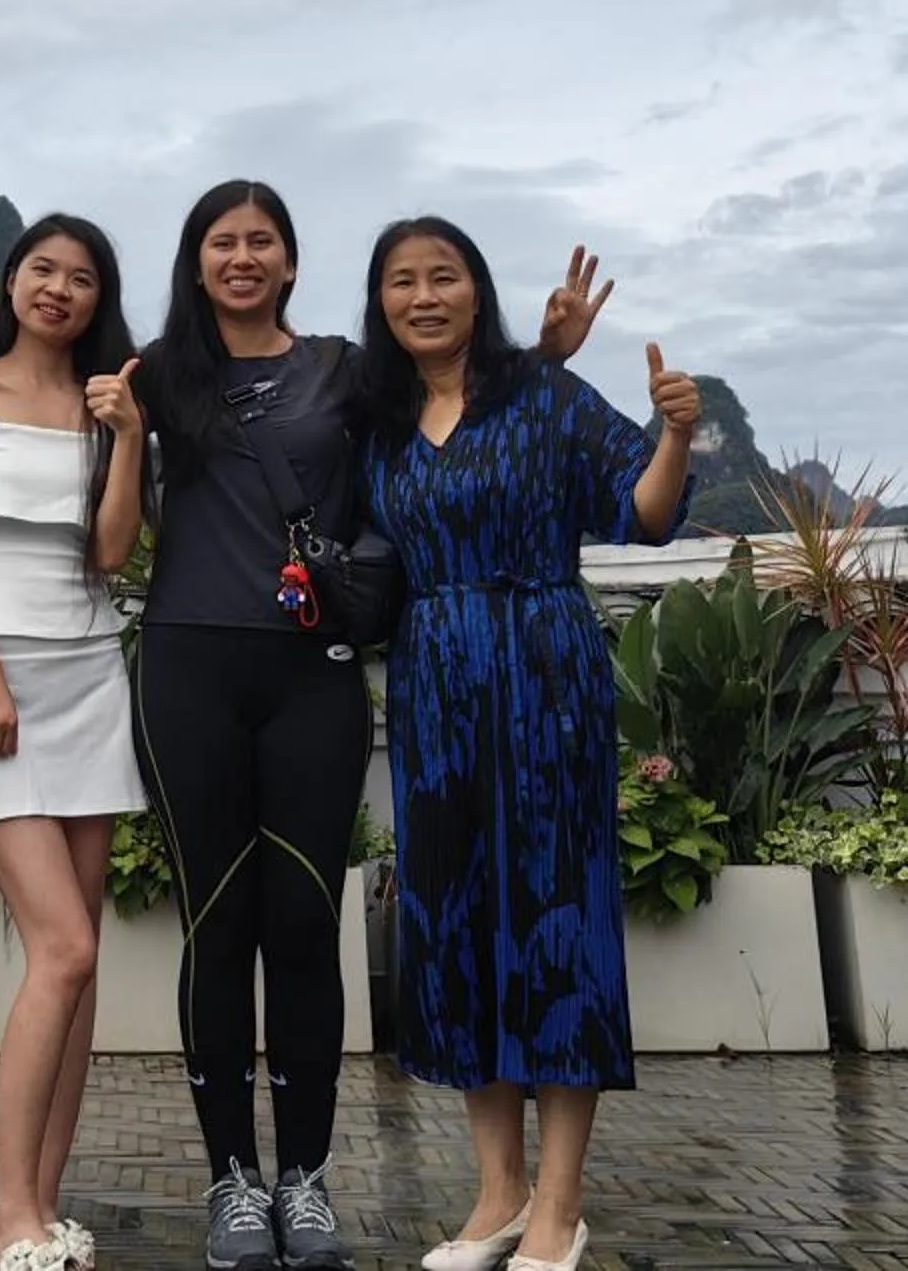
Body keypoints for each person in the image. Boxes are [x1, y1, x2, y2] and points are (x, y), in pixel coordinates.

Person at [127, 182, 609, 1271]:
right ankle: (231, 1185)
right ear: (196, 263)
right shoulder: (156, 374)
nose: (243, 258)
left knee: (303, 921)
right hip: (189, 663)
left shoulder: (344, 371)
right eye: (222, 243)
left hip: (315, 671)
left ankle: (303, 1179)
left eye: (263, 242)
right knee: (217, 925)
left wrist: (546, 362)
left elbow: (458, 424)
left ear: (292, 262)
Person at [351, 217, 698, 1271]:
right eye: (402, 282)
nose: (424, 296)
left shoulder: (545, 397)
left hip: (546, 672)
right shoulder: (381, 424)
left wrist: (677, 432)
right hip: (435, 687)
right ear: (381, 303)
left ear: (476, 289)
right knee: (456, 924)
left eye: (443, 277)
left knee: (558, 923)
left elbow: (642, 510)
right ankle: (498, 1193)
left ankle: (559, 1203)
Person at [0, 215, 151, 1271]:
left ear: (100, 300)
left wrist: (131, 437)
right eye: (43, 270)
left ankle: (45, 1208)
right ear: (10, 282)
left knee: (79, 962)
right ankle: (9, 1212)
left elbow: (109, 553)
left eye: (83, 278)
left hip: (89, 665)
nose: (59, 289)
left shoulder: (105, 407)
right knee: (64, 945)